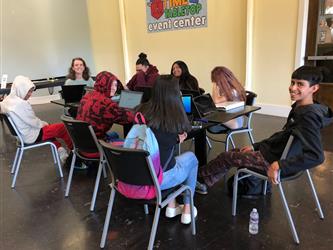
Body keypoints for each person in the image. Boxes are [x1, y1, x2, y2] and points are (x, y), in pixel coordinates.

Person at [199, 66, 332, 188]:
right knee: (232, 153)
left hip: (272, 160)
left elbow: (316, 156)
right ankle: (204, 180)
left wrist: (280, 165)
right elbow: (284, 136)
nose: (292, 88)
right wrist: (255, 146)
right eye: (292, 82)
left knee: (226, 157)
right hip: (271, 153)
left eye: (300, 84)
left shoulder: (307, 116)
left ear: (314, 88)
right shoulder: (301, 108)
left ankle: (199, 180)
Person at [137, 75, 198, 224]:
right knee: (191, 159)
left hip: (137, 177)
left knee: (168, 159)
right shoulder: (175, 118)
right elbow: (183, 131)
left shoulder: (141, 112)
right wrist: (177, 139)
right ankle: (188, 210)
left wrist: (174, 140)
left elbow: (159, 140)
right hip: (159, 180)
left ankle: (172, 205)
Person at [0, 76, 73, 163]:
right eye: (29, 91)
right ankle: (75, 155)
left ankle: (60, 150)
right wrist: (45, 124)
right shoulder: (21, 104)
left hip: (21, 136)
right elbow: (35, 123)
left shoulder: (7, 101)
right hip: (32, 135)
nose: (30, 94)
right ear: (21, 89)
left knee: (51, 129)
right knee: (63, 128)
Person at [76, 71, 134, 140]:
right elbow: (129, 118)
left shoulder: (86, 96)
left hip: (82, 140)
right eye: (111, 85)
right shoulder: (107, 103)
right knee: (128, 143)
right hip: (97, 143)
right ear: (103, 84)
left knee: (114, 134)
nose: (114, 88)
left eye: (115, 85)